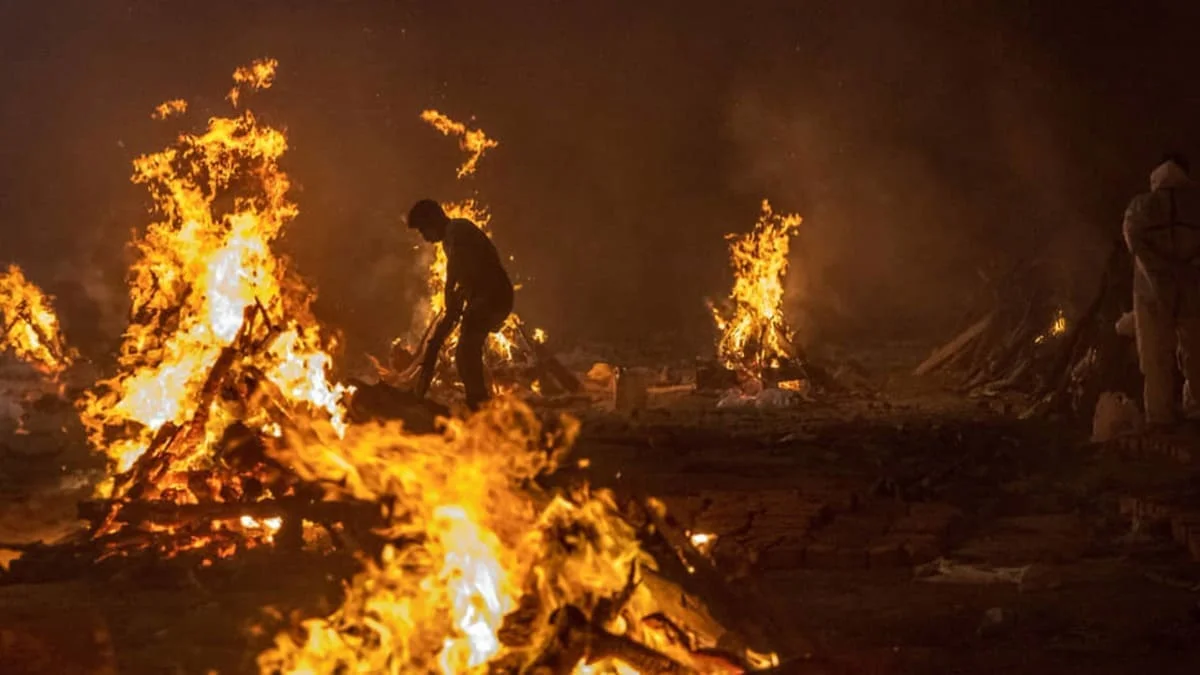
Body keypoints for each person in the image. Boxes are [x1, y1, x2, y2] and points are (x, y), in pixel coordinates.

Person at [407, 199, 514, 410]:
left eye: (423, 229)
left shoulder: (458, 229)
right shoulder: (450, 239)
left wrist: (450, 293)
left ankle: (479, 405)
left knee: (466, 351)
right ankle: (477, 401)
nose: (424, 237)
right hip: (484, 297)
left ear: (434, 220)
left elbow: (458, 266)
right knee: (466, 351)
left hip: (493, 296)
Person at [1123, 152, 1200, 429]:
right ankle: (1196, 411)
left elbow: (1132, 240)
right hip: (1194, 292)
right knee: (1196, 352)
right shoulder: (1196, 205)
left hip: (1152, 294)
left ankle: (1159, 417)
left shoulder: (1140, 206)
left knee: (1155, 357)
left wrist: (1158, 270)